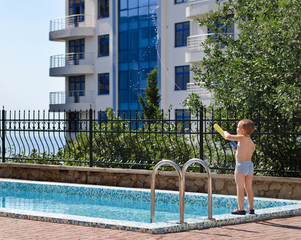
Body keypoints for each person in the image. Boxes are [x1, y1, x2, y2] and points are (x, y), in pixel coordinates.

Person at [224, 119, 256, 215]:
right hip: (249, 165)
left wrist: (225, 132)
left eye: (238, 127)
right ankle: (251, 208)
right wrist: (236, 148)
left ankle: (241, 209)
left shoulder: (241, 137)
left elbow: (228, 136)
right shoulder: (250, 141)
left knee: (240, 187)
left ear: (242, 130)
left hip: (241, 165)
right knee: (249, 188)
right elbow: (249, 150)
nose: (236, 128)